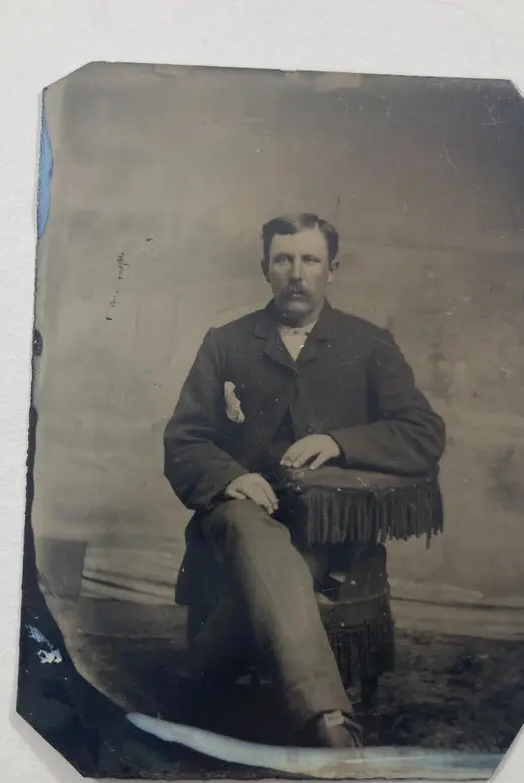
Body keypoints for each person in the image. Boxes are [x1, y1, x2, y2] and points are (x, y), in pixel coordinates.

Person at [163, 213, 445, 747]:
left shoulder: (369, 344)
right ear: (265, 268)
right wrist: (230, 479)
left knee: (290, 563)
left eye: (309, 260)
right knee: (251, 529)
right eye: (283, 260)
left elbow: (423, 433)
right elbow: (184, 440)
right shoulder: (225, 342)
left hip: (324, 529)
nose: (296, 273)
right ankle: (329, 722)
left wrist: (341, 442)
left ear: (330, 269)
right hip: (240, 511)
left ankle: (193, 682)